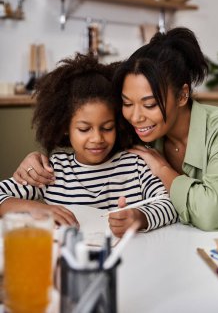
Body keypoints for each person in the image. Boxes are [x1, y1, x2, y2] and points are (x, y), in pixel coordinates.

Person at [15, 28, 218, 231]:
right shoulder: (137, 133)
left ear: (182, 95)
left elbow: (210, 214)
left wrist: (162, 168)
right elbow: (91, 149)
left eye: (149, 104)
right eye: (127, 103)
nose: (136, 117)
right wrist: (35, 161)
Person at [0, 54, 177, 237]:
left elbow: (171, 204)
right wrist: (32, 208)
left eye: (107, 128)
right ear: (65, 128)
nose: (97, 138)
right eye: (84, 129)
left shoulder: (136, 164)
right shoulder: (53, 170)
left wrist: (140, 217)